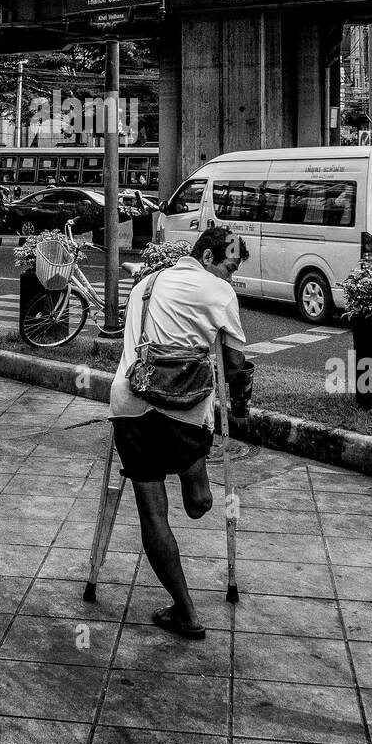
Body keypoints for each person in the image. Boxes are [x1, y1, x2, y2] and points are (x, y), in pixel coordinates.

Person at [109, 225, 250, 641]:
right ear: (207, 258)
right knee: (199, 504)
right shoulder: (221, 293)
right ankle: (195, 484)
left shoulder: (145, 284)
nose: (232, 275)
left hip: (131, 406)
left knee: (153, 514)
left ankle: (186, 612)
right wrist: (238, 393)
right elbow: (237, 364)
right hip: (185, 412)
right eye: (229, 265)